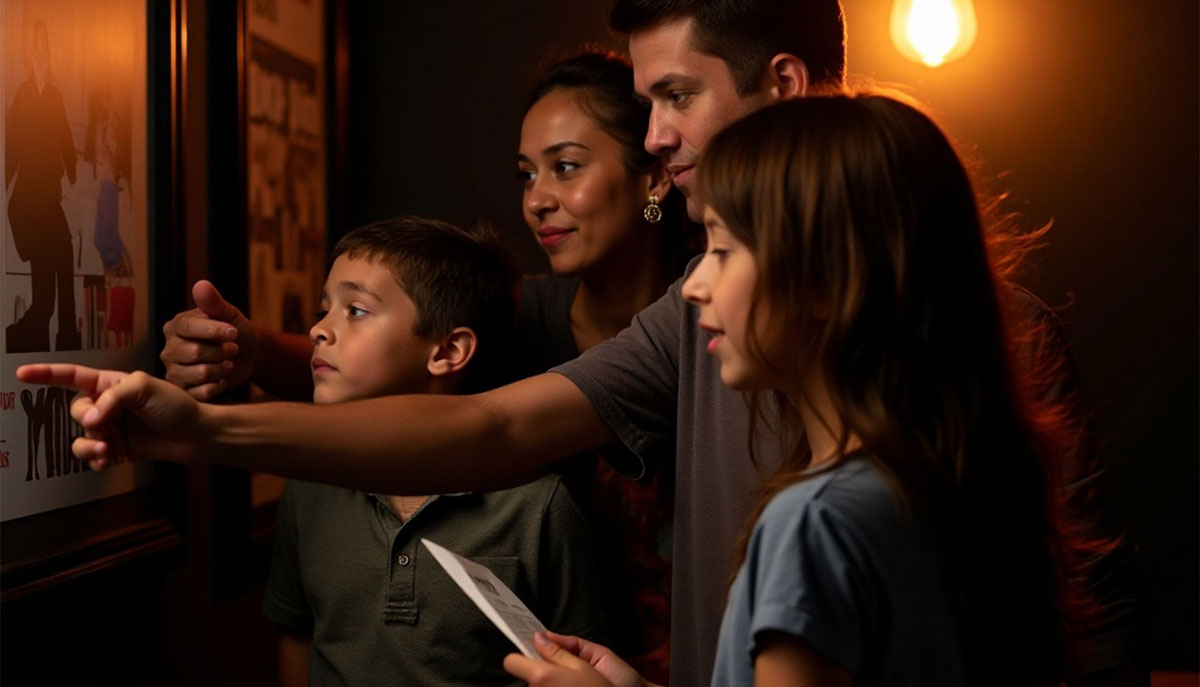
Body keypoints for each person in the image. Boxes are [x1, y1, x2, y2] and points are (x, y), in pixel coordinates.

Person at [18, 2, 1143, 685]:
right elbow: (485, 420)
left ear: (784, 87)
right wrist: (224, 405)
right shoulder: (682, 328)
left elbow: (1088, 625)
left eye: (675, 97)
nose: (656, 139)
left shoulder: (878, 454)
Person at [505, 92, 1080, 687]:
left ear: (825, 283)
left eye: (723, 250)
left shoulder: (814, 523)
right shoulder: (941, 482)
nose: (695, 287)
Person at [263, 216, 607, 686]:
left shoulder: (537, 506)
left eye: (355, 310)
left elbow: (581, 665)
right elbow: (297, 635)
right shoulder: (310, 486)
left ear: (447, 351)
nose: (319, 329)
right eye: (324, 309)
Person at [5, 18, 82, 353]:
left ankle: (67, 347)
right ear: (28, 54)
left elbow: (65, 139)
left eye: (44, 48)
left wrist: (73, 173)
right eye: (35, 48)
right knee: (44, 303)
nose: (40, 54)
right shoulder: (22, 96)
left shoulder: (54, 95)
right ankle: (16, 340)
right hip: (30, 204)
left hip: (50, 202)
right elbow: (10, 147)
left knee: (66, 257)